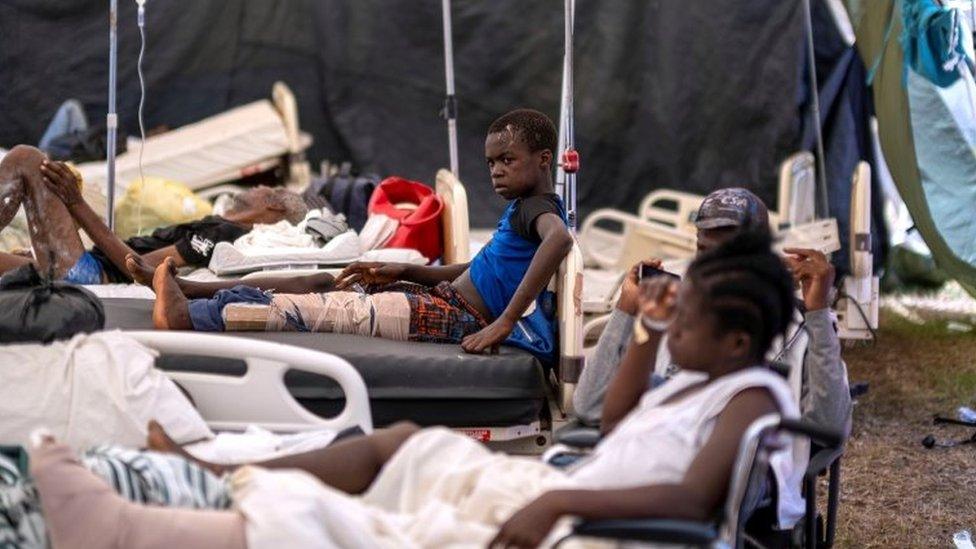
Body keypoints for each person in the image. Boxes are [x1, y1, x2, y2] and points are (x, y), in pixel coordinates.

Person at [30, 231, 805, 548]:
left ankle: (146, 524)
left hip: (582, 526)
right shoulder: (706, 377)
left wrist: (562, 501)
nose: (679, 323)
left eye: (690, 316)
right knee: (402, 443)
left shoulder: (751, 398)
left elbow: (696, 498)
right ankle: (209, 476)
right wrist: (645, 330)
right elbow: (619, 424)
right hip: (562, 492)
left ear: (738, 339)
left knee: (371, 525)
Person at [145, 109, 575, 359]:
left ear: (543, 160)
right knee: (322, 295)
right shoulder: (523, 211)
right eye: (491, 163)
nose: (496, 170)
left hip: (456, 317)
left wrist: (502, 324)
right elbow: (476, 269)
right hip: (445, 300)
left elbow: (561, 240)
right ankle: (209, 299)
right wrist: (399, 269)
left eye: (507, 160)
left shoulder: (539, 212)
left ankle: (193, 318)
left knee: (326, 312)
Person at [574, 187, 852, 436]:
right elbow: (590, 406)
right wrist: (626, 310)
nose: (711, 265)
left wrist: (818, 314)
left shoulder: (795, 326)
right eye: (702, 250)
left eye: (727, 253)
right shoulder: (672, 309)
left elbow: (828, 429)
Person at [0, 144, 308, 283]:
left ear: (274, 206)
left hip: (93, 276)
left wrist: (76, 203)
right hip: (92, 264)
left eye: (264, 189)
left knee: (27, 159)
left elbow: (138, 267)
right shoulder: (220, 225)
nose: (254, 187)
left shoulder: (225, 235)